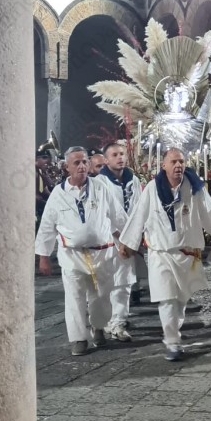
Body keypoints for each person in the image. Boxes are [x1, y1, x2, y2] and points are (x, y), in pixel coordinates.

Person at [118, 148, 211, 361]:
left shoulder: (195, 188)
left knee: (180, 300)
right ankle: (172, 342)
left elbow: (209, 213)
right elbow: (139, 215)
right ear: (164, 165)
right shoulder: (152, 188)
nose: (178, 165)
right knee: (167, 299)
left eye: (181, 161)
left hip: (187, 255)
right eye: (174, 162)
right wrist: (128, 242)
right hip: (160, 254)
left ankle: (174, 332)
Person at [35, 147, 128, 356]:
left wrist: (127, 240)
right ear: (67, 167)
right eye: (76, 163)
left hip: (102, 253)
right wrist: (43, 257)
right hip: (72, 255)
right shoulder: (58, 194)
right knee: (74, 296)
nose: (82, 166)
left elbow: (117, 215)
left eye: (85, 161)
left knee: (101, 295)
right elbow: (47, 226)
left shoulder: (101, 187)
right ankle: (78, 338)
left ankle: (98, 327)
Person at [96, 142, 142, 342]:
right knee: (106, 284)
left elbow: (140, 209)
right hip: (109, 239)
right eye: (114, 155)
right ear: (106, 160)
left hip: (129, 239)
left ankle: (119, 322)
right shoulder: (99, 183)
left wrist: (134, 238)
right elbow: (102, 214)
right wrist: (119, 238)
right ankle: (105, 319)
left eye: (122, 153)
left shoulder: (134, 180)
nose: (120, 157)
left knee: (124, 282)